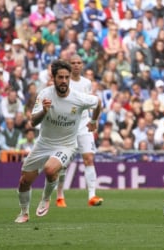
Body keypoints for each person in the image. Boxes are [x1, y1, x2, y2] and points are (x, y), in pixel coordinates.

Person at [14, 60, 102, 223]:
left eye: (66, 77)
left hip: (66, 145)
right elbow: (33, 122)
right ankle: (24, 212)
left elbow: (98, 102)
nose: (63, 81)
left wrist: (94, 121)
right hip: (43, 144)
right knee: (24, 182)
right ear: (53, 78)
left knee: (50, 169)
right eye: (60, 77)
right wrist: (44, 111)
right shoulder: (45, 95)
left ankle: (46, 198)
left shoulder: (79, 98)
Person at [54, 55, 104, 208]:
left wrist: (93, 121)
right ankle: (60, 196)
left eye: (78, 63)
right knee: (63, 164)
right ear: (68, 65)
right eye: (73, 63)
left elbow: (91, 104)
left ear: (82, 65)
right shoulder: (63, 82)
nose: (76, 65)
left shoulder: (86, 83)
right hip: (67, 125)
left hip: (83, 124)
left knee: (88, 158)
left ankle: (92, 196)